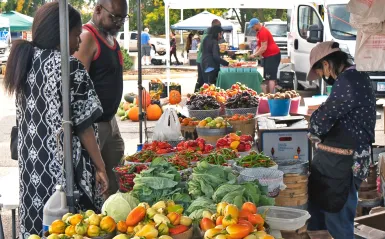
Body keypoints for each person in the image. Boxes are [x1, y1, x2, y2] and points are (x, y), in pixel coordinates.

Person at [3, 2, 108, 237]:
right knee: (70, 228)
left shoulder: (26, 61)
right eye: (76, 34)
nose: (80, 42)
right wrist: (100, 166)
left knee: (37, 228)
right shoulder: (68, 66)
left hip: (32, 170)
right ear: (60, 33)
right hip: (63, 174)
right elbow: (84, 126)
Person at [306, 41, 376, 238]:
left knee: (337, 217)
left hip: (346, 161)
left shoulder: (349, 80)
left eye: (319, 71)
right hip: (346, 157)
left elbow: (324, 118)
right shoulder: (356, 75)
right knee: (326, 212)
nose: (321, 76)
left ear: (327, 64)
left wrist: (314, 125)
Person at [74, 0, 127, 196]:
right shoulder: (87, 38)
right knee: (97, 179)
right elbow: (76, 87)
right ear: (97, 10)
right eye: (115, 17)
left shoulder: (111, 39)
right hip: (94, 125)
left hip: (110, 121)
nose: (119, 22)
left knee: (116, 175)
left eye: (123, 18)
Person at [248, 18, 281, 94]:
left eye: (253, 27)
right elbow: (259, 46)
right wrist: (254, 54)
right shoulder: (259, 32)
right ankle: (267, 94)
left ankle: (271, 95)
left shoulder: (263, 32)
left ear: (257, 24)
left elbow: (264, 47)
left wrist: (255, 55)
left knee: (271, 77)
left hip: (272, 55)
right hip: (267, 56)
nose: (252, 29)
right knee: (266, 77)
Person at [195, 19, 222, 91]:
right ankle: (196, 96)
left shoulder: (207, 34)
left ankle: (196, 95)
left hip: (201, 60)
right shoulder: (208, 35)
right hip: (203, 61)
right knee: (204, 82)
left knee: (202, 81)